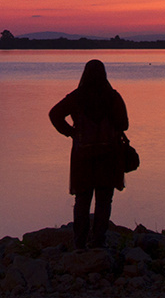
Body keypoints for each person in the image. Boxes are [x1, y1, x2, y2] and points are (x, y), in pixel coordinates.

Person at [49, 59, 129, 249]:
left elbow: (54, 114)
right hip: (108, 154)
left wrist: (70, 132)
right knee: (104, 199)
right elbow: (124, 124)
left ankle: (80, 243)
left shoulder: (77, 97)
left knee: (82, 200)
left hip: (82, 155)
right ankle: (99, 241)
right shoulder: (113, 97)